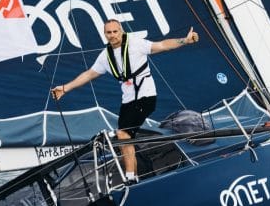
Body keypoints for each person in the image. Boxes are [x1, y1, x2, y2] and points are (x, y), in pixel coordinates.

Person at [52, 19, 199, 184]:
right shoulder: (105, 56)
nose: (113, 35)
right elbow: (89, 74)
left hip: (146, 97)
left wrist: (185, 41)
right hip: (127, 101)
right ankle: (134, 180)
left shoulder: (136, 44)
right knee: (125, 140)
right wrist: (65, 88)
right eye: (109, 32)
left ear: (121, 31)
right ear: (105, 34)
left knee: (123, 134)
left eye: (115, 31)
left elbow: (163, 45)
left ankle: (129, 178)